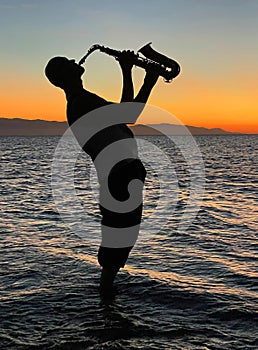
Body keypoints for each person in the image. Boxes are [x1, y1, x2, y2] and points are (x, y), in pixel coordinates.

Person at [45, 51, 159, 292]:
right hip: (119, 177)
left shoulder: (82, 99)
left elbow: (125, 114)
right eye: (69, 63)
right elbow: (130, 114)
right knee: (119, 242)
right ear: (64, 76)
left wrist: (136, 73)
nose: (76, 61)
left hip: (119, 176)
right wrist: (138, 74)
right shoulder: (81, 102)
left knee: (119, 240)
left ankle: (106, 304)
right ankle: (106, 303)